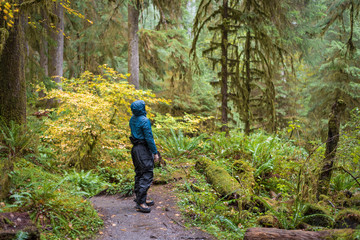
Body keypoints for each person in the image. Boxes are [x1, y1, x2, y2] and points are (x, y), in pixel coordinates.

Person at [129, 100, 159, 213]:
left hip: (135, 149)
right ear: (142, 108)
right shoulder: (144, 120)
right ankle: (141, 203)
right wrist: (155, 152)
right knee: (146, 174)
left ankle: (140, 198)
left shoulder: (132, 119)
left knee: (139, 173)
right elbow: (149, 137)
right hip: (143, 149)